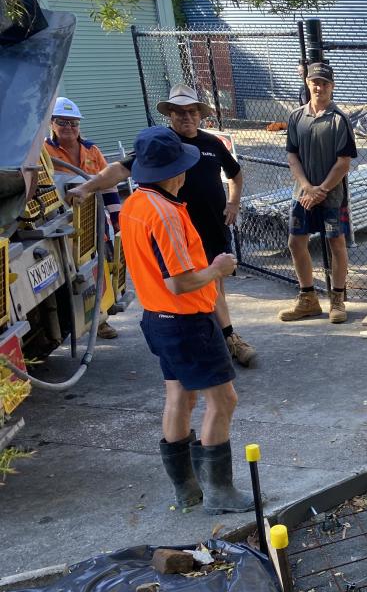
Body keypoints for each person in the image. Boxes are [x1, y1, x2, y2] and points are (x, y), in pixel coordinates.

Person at [67, 85, 256, 367]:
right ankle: (214, 340)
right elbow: (119, 169)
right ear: (169, 114)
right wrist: (87, 187)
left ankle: (225, 337)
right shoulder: (162, 146)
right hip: (174, 231)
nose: (186, 117)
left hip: (212, 226)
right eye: (178, 112)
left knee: (214, 285)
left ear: (200, 115)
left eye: (191, 111)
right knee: (185, 284)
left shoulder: (213, 144)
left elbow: (235, 174)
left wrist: (234, 203)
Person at [120, 126, 254, 516]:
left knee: (180, 396)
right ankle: (219, 492)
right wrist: (217, 269)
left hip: (157, 319)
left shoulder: (136, 203)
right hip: (185, 320)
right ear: (175, 172)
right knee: (223, 399)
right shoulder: (163, 214)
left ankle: (187, 491)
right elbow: (179, 281)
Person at [278, 62, 358, 324]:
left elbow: (343, 163)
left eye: (324, 83)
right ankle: (308, 299)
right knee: (295, 242)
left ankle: (337, 299)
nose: (319, 87)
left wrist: (321, 190)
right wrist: (308, 188)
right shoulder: (296, 117)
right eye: (314, 82)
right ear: (308, 84)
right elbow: (292, 155)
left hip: (332, 196)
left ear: (331, 86)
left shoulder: (339, 119)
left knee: (336, 244)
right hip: (303, 195)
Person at [45, 97, 123, 340]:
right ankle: (85, 319)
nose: (68, 127)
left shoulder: (92, 150)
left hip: (92, 220)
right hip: (61, 223)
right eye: (62, 122)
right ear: (51, 123)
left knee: (100, 266)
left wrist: (117, 218)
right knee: (73, 272)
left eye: (73, 123)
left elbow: (109, 185)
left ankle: (101, 318)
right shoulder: (44, 153)